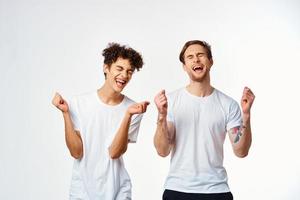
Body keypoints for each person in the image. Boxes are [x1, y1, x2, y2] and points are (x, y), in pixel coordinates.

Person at [154, 40, 255, 200]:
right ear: (184, 66)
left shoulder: (228, 104)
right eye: (190, 57)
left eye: (200, 55)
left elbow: (241, 151)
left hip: (216, 191)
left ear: (210, 61)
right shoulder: (171, 101)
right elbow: (162, 150)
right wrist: (161, 117)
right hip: (177, 190)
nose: (196, 59)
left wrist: (246, 116)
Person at [52, 43, 149, 200]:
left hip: (118, 191)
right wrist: (65, 113)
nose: (124, 75)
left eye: (129, 71)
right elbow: (76, 152)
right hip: (82, 191)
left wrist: (128, 115)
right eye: (119, 68)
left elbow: (114, 152)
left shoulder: (134, 109)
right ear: (106, 68)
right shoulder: (78, 103)